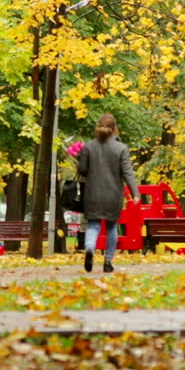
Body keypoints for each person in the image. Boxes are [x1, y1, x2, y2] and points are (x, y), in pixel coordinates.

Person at [78, 114, 140, 273]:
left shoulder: (89, 146)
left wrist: (80, 158)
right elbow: (127, 172)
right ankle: (108, 262)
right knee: (112, 227)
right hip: (113, 194)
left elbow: (82, 170)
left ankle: (90, 248)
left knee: (93, 225)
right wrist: (135, 193)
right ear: (114, 129)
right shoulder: (121, 148)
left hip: (92, 193)